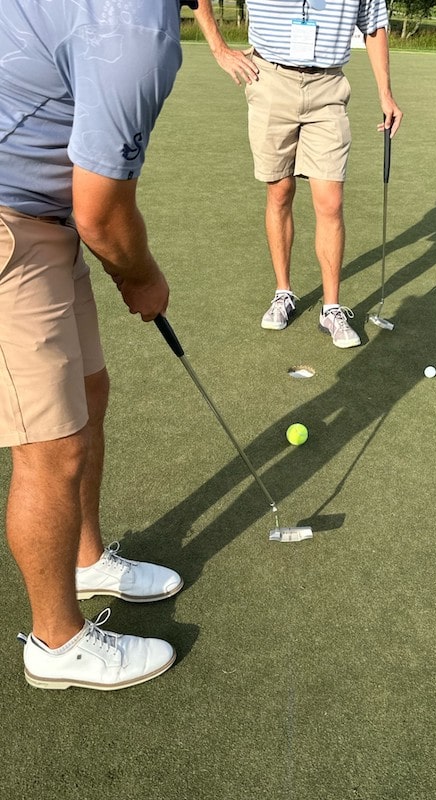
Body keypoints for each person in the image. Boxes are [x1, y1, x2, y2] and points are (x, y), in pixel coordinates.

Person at [0, 1, 199, 690]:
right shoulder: (134, 26)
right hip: (8, 222)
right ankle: (56, 644)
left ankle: (87, 562)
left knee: (89, 395)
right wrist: (140, 278)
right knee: (50, 446)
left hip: (43, 221)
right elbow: (101, 210)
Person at [194, 0, 402, 348]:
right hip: (269, 79)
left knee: (331, 202)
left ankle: (332, 308)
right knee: (279, 192)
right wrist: (219, 49)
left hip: (328, 87)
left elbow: (374, 24)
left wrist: (385, 92)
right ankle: (283, 292)